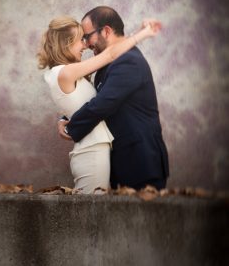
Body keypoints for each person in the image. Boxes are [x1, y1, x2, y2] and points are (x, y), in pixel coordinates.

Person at [38, 15, 161, 193]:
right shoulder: (66, 73)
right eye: (81, 39)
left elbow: (83, 101)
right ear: (66, 44)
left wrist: (65, 119)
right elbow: (110, 55)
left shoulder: (63, 73)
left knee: (92, 210)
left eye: (85, 38)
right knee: (90, 212)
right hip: (92, 152)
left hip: (95, 150)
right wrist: (143, 34)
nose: (85, 45)